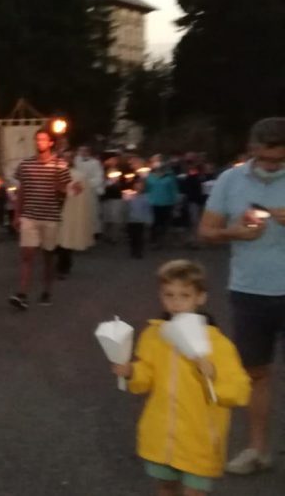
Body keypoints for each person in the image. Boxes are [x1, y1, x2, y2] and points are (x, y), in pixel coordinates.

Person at [112, 261, 251, 495]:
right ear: (161, 296)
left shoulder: (218, 344)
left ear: (201, 297)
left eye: (184, 295)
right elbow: (147, 376)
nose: (176, 302)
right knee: (166, 485)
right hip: (161, 434)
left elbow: (240, 390)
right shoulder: (154, 335)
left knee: (194, 492)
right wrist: (131, 372)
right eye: (169, 295)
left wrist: (213, 374)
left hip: (200, 438)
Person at [199, 117, 285, 475]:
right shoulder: (230, 180)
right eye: (266, 159)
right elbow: (205, 231)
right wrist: (234, 232)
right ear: (252, 149)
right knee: (256, 373)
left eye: (279, 161)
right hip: (249, 291)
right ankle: (257, 449)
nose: (271, 167)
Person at [9, 128, 71, 310]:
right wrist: (16, 214)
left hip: (50, 216)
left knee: (48, 256)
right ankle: (22, 293)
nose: (39, 143)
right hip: (30, 215)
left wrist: (59, 186)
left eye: (43, 140)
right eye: (37, 140)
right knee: (27, 254)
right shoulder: (26, 165)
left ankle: (47, 290)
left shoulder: (60, 165)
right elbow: (21, 191)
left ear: (51, 143)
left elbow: (65, 191)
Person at [56, 149, 96, 278]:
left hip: (69, 211)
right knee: (55, 241)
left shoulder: (79, 176)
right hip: (54, 211)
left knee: (66, 240)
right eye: (63, 157)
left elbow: (77, 193)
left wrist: (65, 190)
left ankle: (64, 267)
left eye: (68, 157)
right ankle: (57, 264)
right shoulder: (53, 174)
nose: (65, 160)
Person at [146, 155, 180, 249]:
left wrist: (176, 202)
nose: (156, 163)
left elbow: (174, 189)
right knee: (155, 223)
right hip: (154, 202)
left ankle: (162, 240)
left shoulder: (170, 175)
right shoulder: (150, 175)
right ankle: (154, 241)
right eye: (154, 161)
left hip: (167, 202)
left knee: (165, 222)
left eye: (158, 161)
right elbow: (148, 189)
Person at [75, 145, 105, 236]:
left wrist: (87, 184)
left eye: (85, 151)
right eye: (81, 150)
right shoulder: (75, 160)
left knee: (92, 211)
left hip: (90, 191)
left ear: (89, 152)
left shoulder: (95, 163)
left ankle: (94, 231)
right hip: (78, 190)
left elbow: (99, 177)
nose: (83, 153)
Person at [126, 179, 152, 259]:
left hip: (141, 220)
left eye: (141, 185)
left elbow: (148, 209)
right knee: (132, 236)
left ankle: (138, 251)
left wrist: (149, 219)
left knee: (139, 236)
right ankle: (133, 250)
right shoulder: (129, 195)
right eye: (137, 185)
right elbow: (125, 207)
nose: (138, 187)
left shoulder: (146, 196)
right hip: (131, 219)